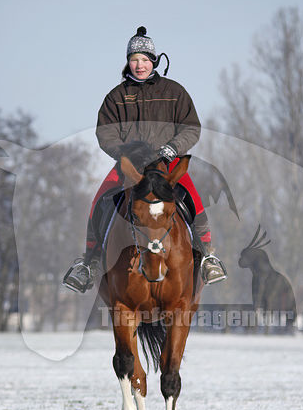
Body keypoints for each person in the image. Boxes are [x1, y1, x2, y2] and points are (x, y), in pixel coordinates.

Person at [63, 26, 227, 293]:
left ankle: (208, 256)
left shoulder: (175, 92)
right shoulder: (116, 97)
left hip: (167, 164)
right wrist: (124, 154)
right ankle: (89, 264)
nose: (139, 65)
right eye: (134, 59)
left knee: (193, 199)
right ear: (128, 62)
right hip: (130, 166)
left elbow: (191, 128)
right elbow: (105, 133)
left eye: (144, 59)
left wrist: (174, 147)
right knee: (99, 201)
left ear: (154, 61)